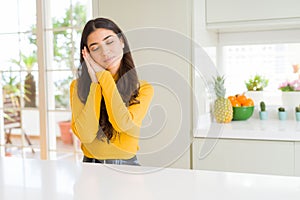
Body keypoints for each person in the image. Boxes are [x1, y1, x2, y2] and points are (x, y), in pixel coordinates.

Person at [70, 17, 154, 166]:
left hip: (127, 167)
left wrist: (103, 76)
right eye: (95, 48)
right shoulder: (77, 87)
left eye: (109, 42)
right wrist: (96, 84)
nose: (105, 52)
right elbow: (86, 135)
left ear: (121, 42)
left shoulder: (143, 88)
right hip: (90, 167)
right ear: (87, 54)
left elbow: (122, 124)